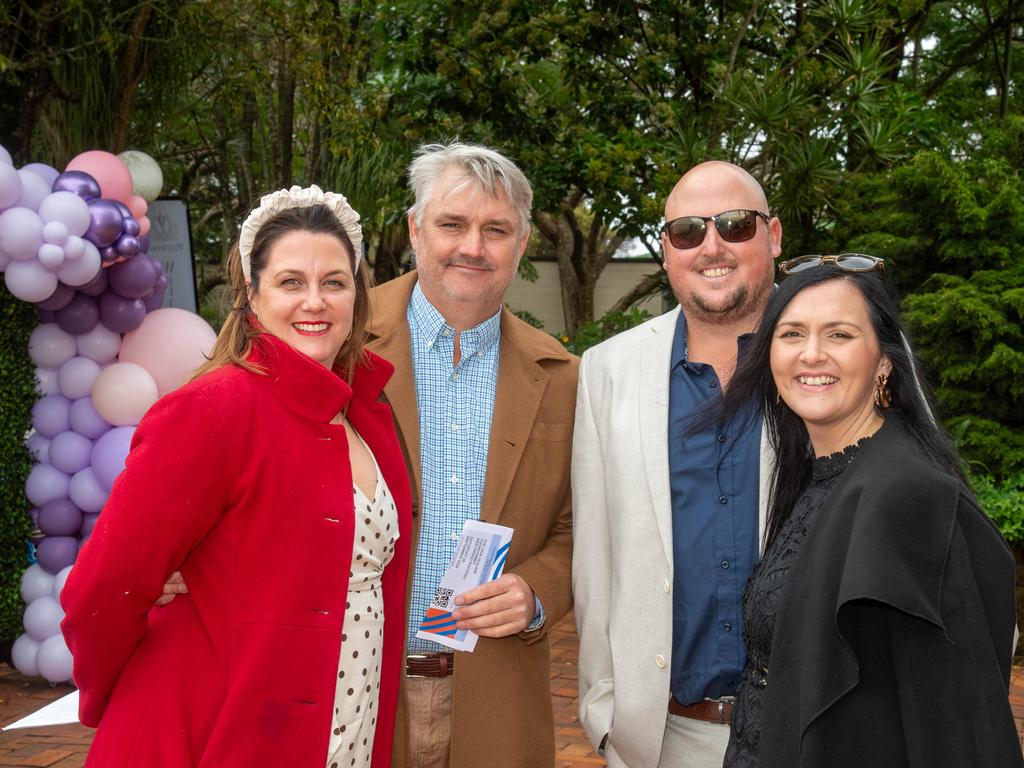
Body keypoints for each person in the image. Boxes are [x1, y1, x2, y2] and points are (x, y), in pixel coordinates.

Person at [60, 186, 412, 768]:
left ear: (357, 294)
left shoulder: (366, 412)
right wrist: (116, 684)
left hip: (349, 719)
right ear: (252, 294)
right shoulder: (212, 408)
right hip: (225, 727)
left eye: (334, 282)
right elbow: (102, 586)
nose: (315, 301)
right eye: (291, 281)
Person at [717, 255, 1021, 768]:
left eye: (839, 335)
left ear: (885, 361)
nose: (811, 355)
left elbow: (952, 721)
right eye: (792, 334)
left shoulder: (906, 497)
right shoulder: (821, 473)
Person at [365, 141, 577, 768]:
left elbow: (579, 530)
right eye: (451, 224)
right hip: (357, 689)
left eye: (496, 230)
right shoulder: (337, 338)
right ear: (414, 228)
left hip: (496, 693)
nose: (473, 248)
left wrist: (536, 592)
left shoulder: (561, 375)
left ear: (523, 242)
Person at [573, 161, 781, 767]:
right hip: (659, 740)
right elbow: (594, 557)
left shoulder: (829, 359)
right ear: (666, 252)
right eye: (688, 231)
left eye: (736, 225)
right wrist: (604, 713)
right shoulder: (606, 371)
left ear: (773, 237)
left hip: (801, 733)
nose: (712, 246)